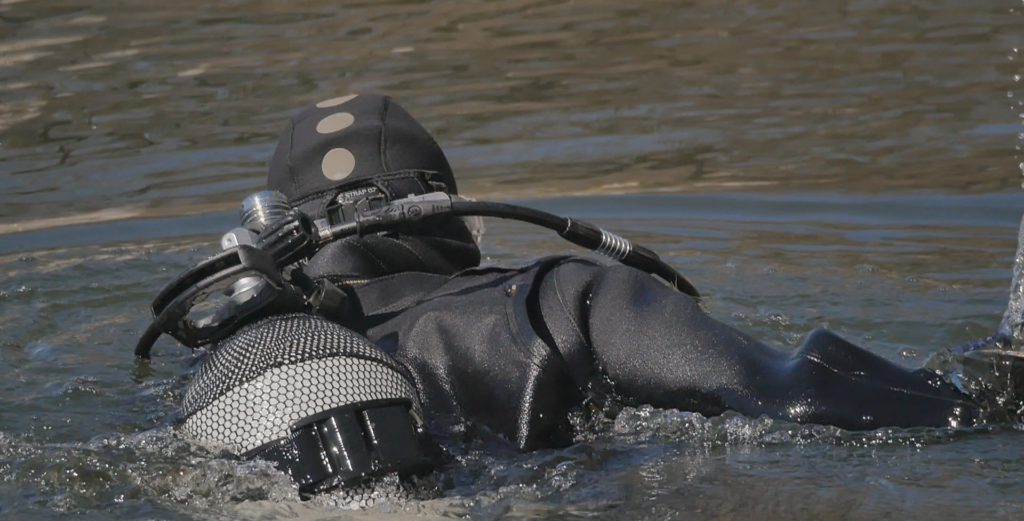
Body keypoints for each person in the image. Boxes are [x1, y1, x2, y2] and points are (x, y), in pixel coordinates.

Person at [157, 94, 1022, 498]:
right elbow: (788, 398)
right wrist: (984, 394)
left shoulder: (247, 361)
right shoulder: (559, 296)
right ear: (459, 219)